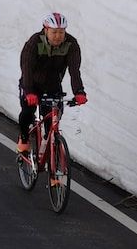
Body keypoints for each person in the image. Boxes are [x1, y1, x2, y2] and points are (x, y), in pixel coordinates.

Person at [17, 11, 86, 154]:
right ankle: (24, 138)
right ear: (46, 29)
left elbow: (74, 70)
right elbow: (26, 68)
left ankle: (52, 161)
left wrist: (79, 91)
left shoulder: (71, 44)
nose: (58, 36)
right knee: (27, 113)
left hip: (53, 85)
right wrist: (29, 91)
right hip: (32, 84)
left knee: (52, 121)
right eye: (54, 32)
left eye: (61, 32)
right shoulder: (34, 42)